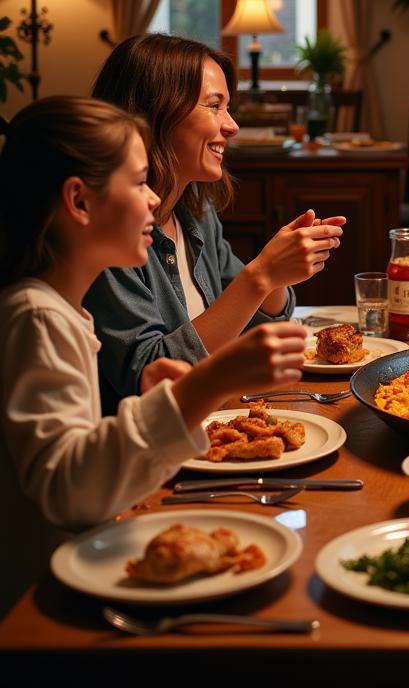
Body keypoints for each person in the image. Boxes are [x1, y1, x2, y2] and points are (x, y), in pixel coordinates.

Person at [0, 97, 307, 614]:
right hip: (41, 613)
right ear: (79, 201)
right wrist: (202, 387)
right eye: (140, 182)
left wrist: (149, 405)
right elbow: (67, 493)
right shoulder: (36, 316)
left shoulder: (63, 309)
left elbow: (79, 445)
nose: (153, 199)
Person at [86, 34, 344, 406]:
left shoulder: (196, 213)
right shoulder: (108, 233)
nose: (232, 125)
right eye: (214, 106)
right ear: (157, 112)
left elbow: (250, 334)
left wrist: (277, 276)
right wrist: (260, 276)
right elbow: (147, 379)